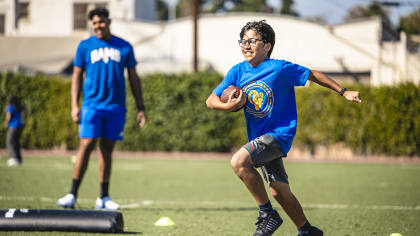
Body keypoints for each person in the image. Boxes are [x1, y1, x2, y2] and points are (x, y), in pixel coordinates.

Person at [206, 20, 361, 236]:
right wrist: (227, 105)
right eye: (243, 41)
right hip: (260, 138)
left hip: (279, 135)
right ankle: (307, 230)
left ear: (267, 46)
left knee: (239, 161)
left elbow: (313, 74)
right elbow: (210, 100)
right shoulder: (237, 72)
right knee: (279, 191)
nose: (246, 45)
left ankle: (267, 214)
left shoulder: (278, 68)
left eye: (252, 41)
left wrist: (343, 91)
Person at [57, 7, 146, 210]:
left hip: (115, 108)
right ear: (92, 25)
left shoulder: (124, 46)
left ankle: (103, 197)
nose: (99, 26)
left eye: (102, 22)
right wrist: (74, 105)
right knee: (86, 144)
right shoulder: (85, 46)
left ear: (108, 22)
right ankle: (72, 194)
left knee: (107, 150)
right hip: (91, 106)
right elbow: (77, 77)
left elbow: (134, 78)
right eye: (95, 23)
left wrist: (141, 107)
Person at [5, 96, 25, 167]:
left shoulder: (10, 107)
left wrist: (6, 123)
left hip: (13, 127)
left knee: (9, 142)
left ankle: (14, 158)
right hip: (20, 126)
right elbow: (25, 110)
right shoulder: (19, 106)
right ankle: (19, 159)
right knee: (16, 142)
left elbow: (8, 116)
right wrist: (24, 120)